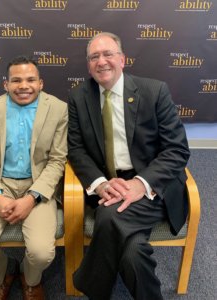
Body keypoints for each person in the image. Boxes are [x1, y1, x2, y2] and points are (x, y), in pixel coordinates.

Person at [68, 32, 190, 300]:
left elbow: (177, 150)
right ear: (88, 65)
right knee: (133, 252)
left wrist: (139, 184)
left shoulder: (154, 91)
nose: (102, 62)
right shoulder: (78, 97)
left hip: (152, 186)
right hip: (108, 187)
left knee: (110, 216)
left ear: (122, 60)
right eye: (94, 57)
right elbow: (75, 149)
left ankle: (89, 284)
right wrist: (100, 185)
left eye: (108, 54)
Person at [0, 55, 68, 300]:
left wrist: (32, 198)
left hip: (38, 186)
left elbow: (57, 161)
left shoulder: (59, 109)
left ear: (41, 83)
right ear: (5, 85)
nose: (23, 86)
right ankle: (5, 274)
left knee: (42, 253)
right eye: (16, 80)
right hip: (1, 185)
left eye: (31, 79)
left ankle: (31, 281)